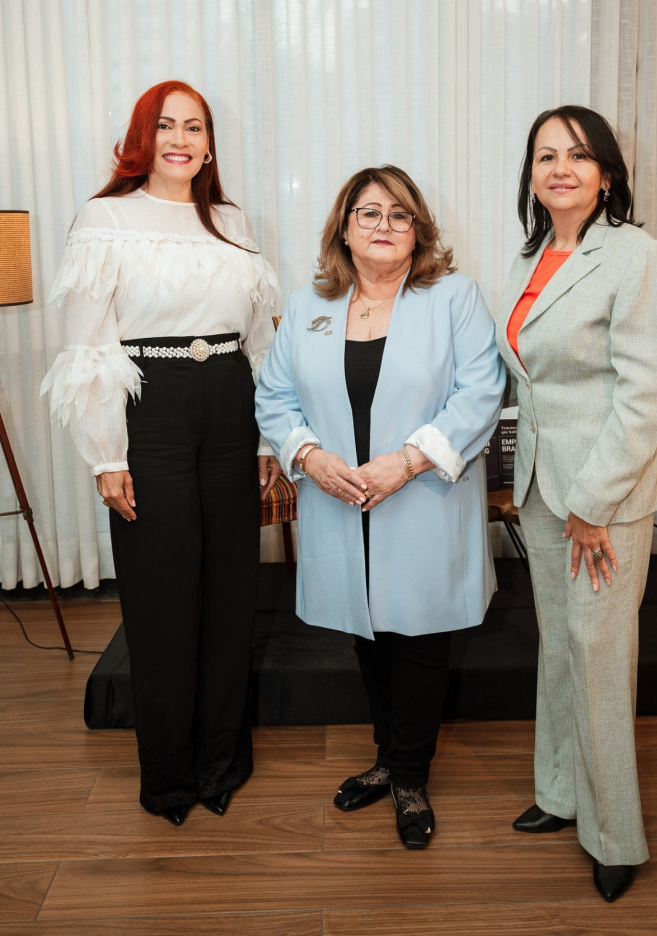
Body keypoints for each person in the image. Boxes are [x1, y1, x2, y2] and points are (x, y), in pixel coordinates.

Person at [42, 80, 280, 826]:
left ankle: (222, 762)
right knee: (162, 594)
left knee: (230, 590)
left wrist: (269, 434)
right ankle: (170, 777)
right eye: (166, 126)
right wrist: (106, 456)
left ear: (209, 145)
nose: (181, 139)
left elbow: (261, 339)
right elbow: (88, 347)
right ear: (142, 139)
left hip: (232, 404)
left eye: (195, 127)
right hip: (151, 409)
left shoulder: (234, 222)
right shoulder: (104, 218)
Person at [255, 164, 505, 849]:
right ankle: (388, 758)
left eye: (400, 214)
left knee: (419, 640)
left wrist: (408, 462)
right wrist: (308, 456)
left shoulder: (452, 297)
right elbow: (274, 395)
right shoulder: (310, 306)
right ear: (345, 227)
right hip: (342, 498)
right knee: (368, 633)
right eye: (369, 213)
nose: (385, 226)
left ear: (418, 229)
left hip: (421, 495)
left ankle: (411, 779)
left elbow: (482, 391)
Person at [495, 106, 657, 901]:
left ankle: (615, 835)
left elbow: (644, 393)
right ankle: (563, 793)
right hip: (541, 485)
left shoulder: (634, 254)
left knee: (600, 656)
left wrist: (594, 501)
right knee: (561, 645)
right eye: (546, 156)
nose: (560, 168)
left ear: (606, 173)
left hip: (603, 494)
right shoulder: (528, 256)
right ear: (532, 175)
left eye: (577, 155)